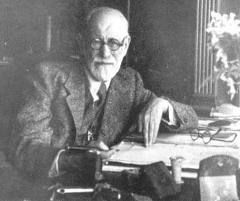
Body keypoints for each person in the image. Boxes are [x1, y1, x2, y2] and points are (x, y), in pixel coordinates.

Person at [7, 6, 198, 191]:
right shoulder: (47, 77)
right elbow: (23, 149)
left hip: (105, 191)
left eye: (114, 43)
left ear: (126, 46)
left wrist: (162, 104)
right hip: (51, 191)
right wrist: (75, 159)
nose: (105, 53)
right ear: (82, 43)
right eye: (97, 41)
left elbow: (191, 117)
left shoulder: (128, 83)